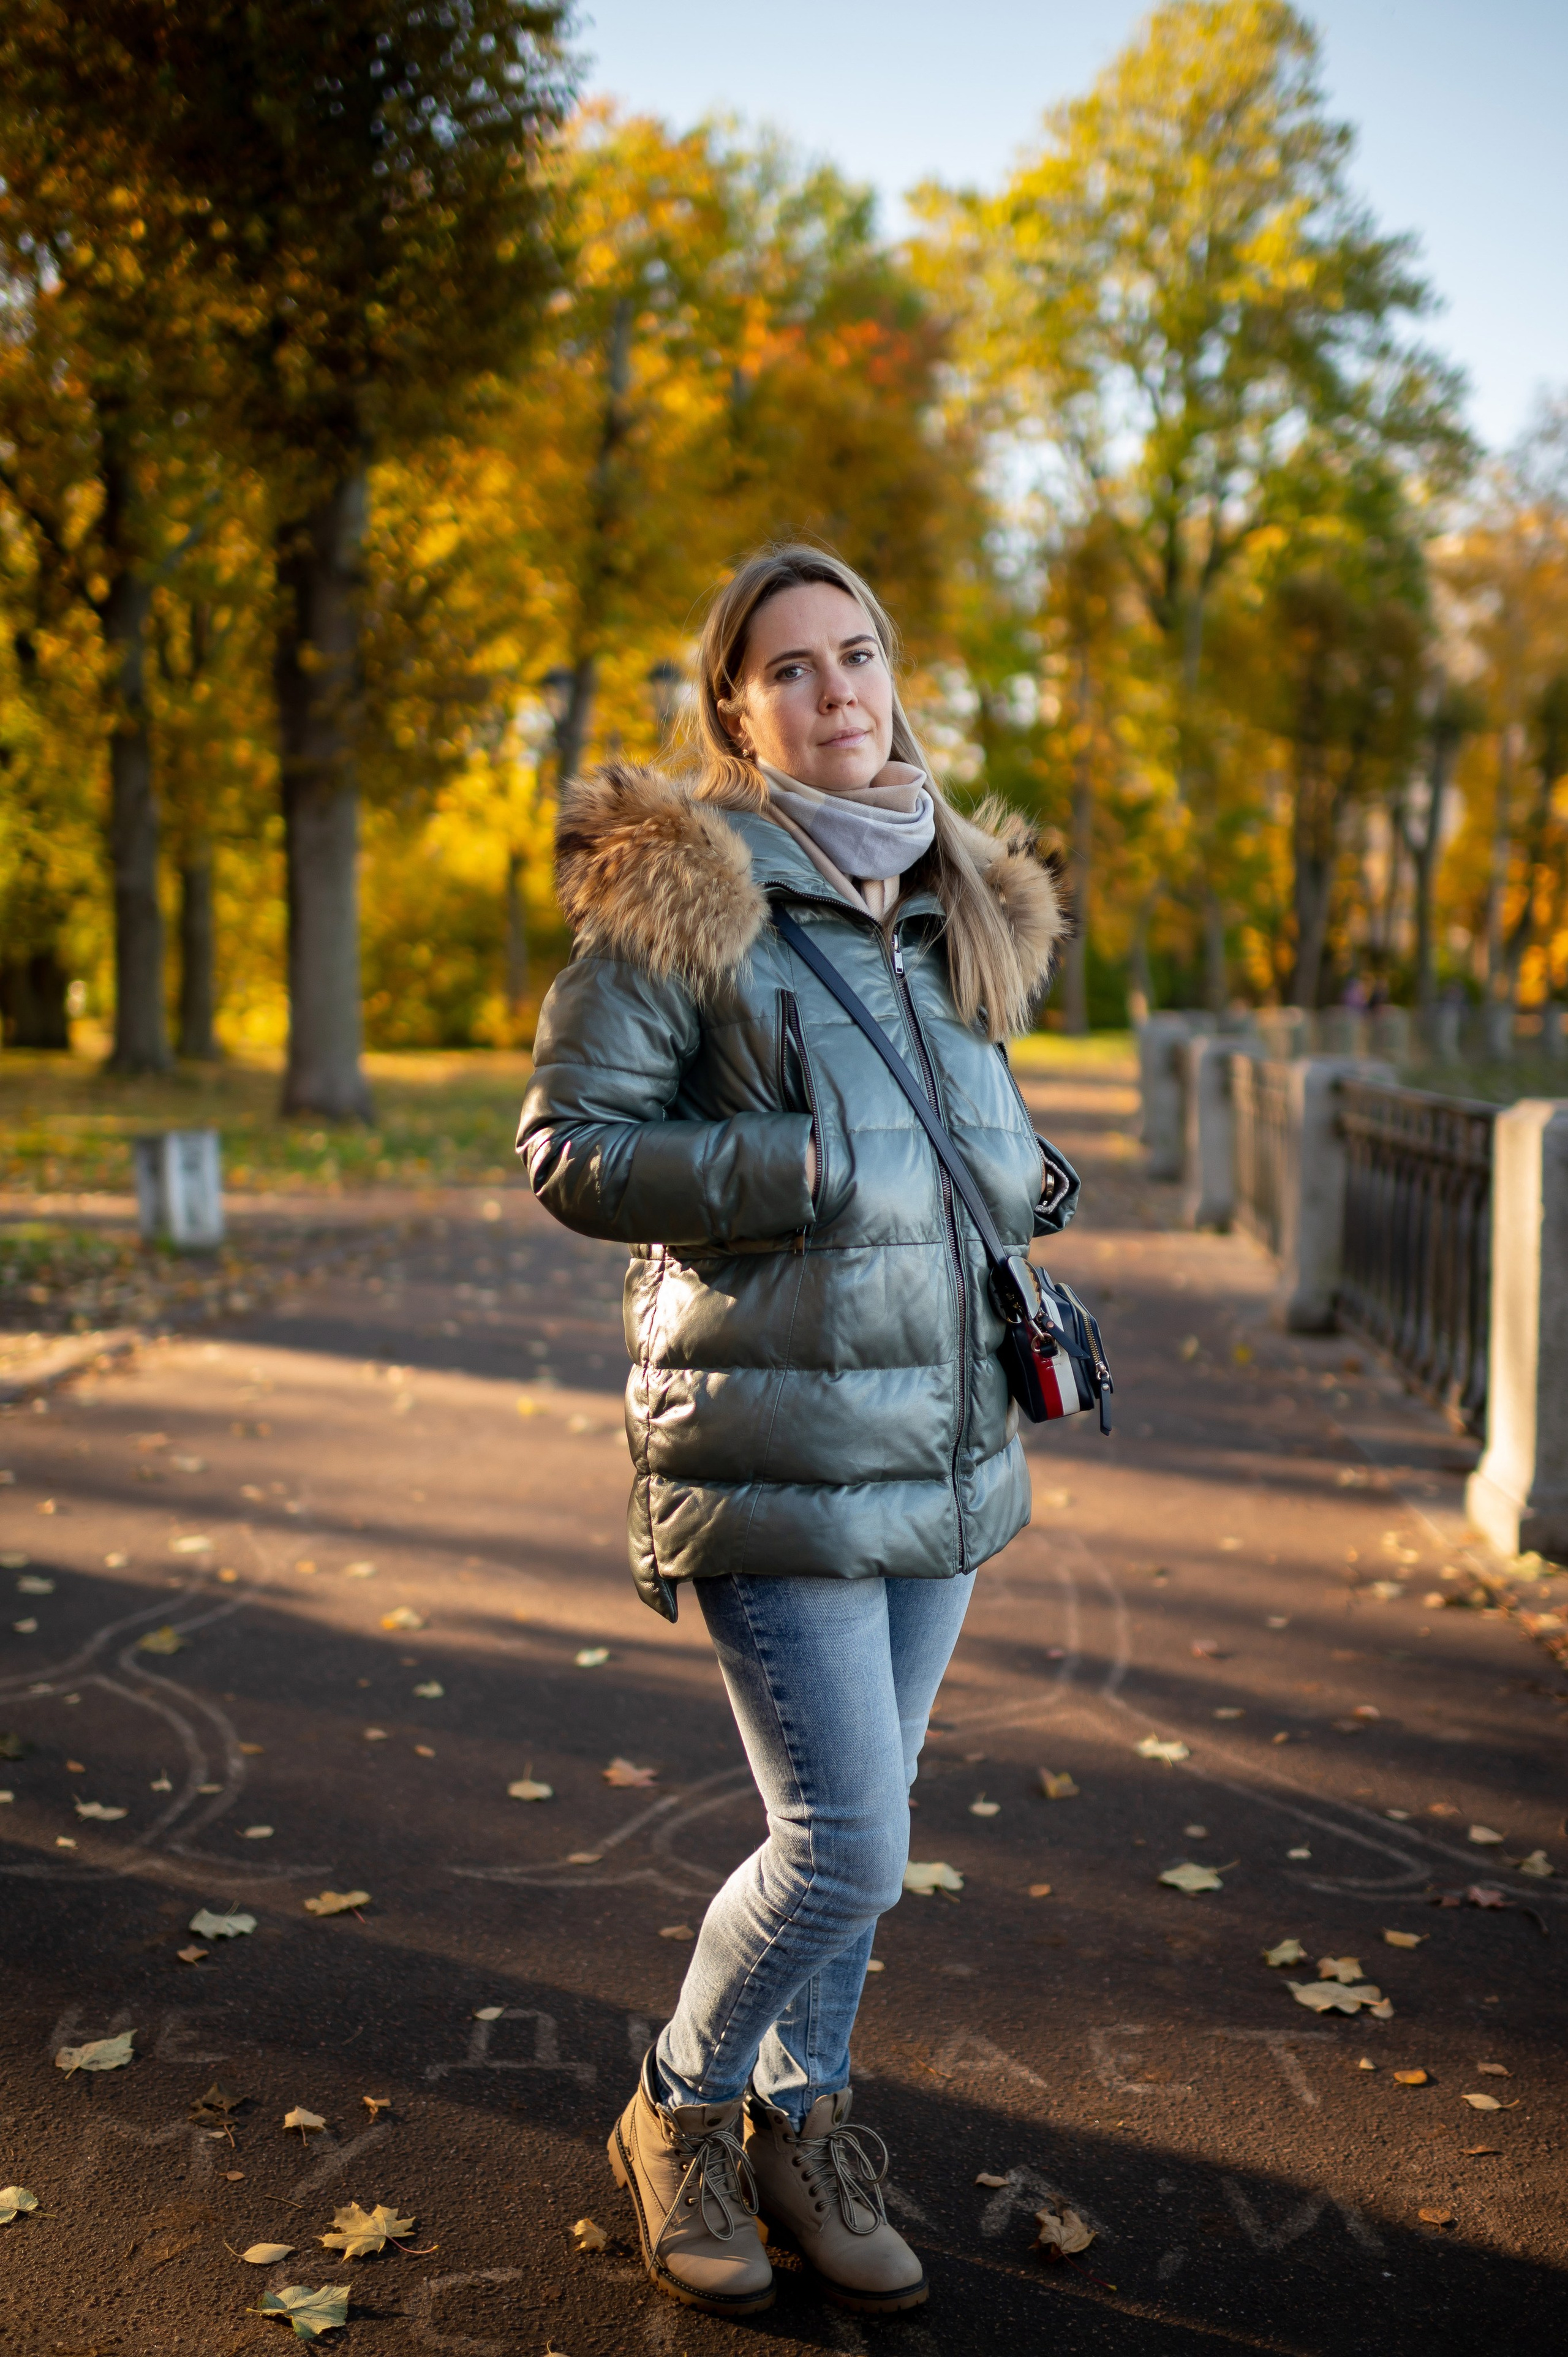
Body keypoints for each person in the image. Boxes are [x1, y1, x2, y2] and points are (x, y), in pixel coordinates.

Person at [517, 545, 1078, 2320]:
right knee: (850, 1842)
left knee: (866, 1839)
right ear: (735, 709)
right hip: (769, 1444)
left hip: (945, 1436)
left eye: (860, 654)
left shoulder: (960, 896)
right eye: (793, 667)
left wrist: (1019, 1180)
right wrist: (797, 1166)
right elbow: (570, 1147)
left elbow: (964, 1134)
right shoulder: (686, 894)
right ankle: (679, 2110)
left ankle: (798, 2117)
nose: (839, 689)